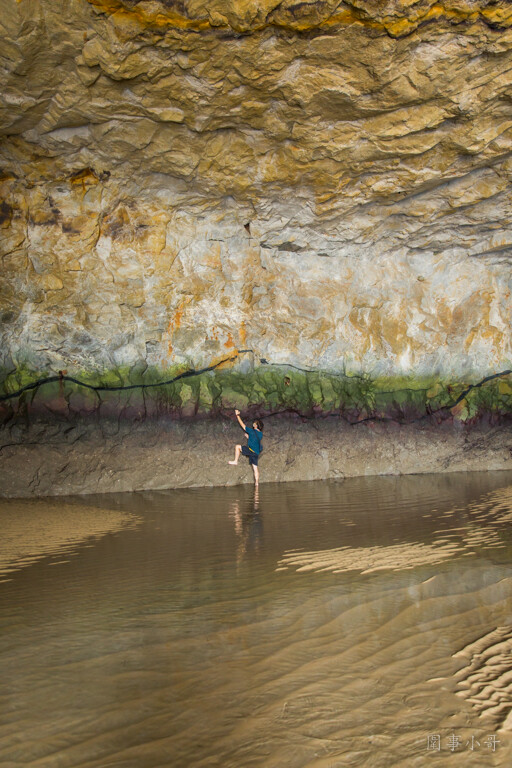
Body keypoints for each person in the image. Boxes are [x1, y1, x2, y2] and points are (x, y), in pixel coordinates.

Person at [228, 409, 264, 485]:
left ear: (256, 425)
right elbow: (255, 441)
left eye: (254, 424)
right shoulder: (260, 434)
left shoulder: (251, 431)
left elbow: (242, 424)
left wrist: (238, 415)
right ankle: (256, 483)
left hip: (251, 451)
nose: (253, 424)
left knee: (237, 447)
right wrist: (249, 437)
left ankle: (235, 461)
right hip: (256, 453)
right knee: (255, 468)